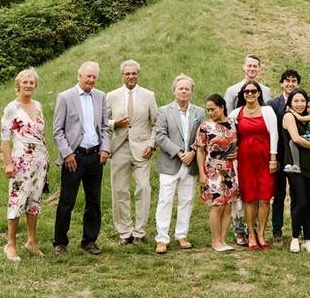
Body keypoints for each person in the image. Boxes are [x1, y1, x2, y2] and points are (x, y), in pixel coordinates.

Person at [52, 61, 111, 255]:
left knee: (94, 200)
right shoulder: (65, 97)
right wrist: (67, 153)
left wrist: (105, 149)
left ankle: (89, 240)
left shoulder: (101, 97)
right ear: (79, 76)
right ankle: (60, 242)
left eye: (94, 77)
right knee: (67, 200)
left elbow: (104, 127)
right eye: (88, 76)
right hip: (74, 157)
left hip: (95, 155)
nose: (91, 80)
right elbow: (57, 131)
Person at [106, 59, 158, 246]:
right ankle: (124, 232)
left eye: (134, 73)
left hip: (142, 149)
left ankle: (139, 231)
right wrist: (114, 124)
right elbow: (101, 122)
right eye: (127, 73)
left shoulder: (148, 95)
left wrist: (151, 145)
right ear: (122, 76)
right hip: (119, 148)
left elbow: (156, 123)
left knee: (143, 188)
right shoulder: (111, 96)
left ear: (138, 75)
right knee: (119, 190)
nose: (131, 76)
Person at [0, 67, 49, 260]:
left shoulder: (38, 105)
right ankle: (10, 244)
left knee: (34, 201)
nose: (28, 85)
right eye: (25, 82)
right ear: (18, 85)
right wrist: (8, 164)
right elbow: (4, 140)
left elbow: (41, 134)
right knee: (17, 200)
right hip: (21, 162)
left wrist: (46, 159)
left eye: (31, 83)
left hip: (40, 161)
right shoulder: (11, 108)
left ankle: (31, 241)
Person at [224, 55, 272, 245]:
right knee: (244, 193)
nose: (252, 69)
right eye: (249, 65)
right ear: (244, 67)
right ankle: (240, 230)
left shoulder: (266, 90)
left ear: (259, 68)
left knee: (262, 195)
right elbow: (228, 121)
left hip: (263, 151)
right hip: (243, 149)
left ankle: (259, 232)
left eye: (255, 66)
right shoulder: (232, 90)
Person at [154, 74, 204, 253]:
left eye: (187, 89)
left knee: (186, 200)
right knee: (165, 200)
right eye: (180, 88)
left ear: (191, 92)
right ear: (174, 90)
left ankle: (181, 235)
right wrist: (178, 152)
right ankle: (162, 238)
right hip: (170, 163)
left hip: (190, 163)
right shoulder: (164, 110)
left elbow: (202, 135)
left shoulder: (199, 112)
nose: (184, 91)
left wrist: (192, 151)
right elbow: (160, 135)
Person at [229, 79, 279, 250]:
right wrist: (232, 152)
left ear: (259, 93)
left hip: (265, 159)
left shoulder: (267, 110)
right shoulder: (236, 113)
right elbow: (230, 136)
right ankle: (250, 234)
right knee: (249, 198)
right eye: (246, 92)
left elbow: (274, 135)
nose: (250, 94)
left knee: (265, 198)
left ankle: (261, 233)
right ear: (243, 95)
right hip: (245, 161)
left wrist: (273, 159)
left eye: (253, 91)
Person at [282, 89, 310, 253]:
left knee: (309, 203)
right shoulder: (289, 116)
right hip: (295, 165)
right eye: (296, 101)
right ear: (290, 103)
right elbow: (296, 138)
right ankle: (295, 238)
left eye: (302, 101)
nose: (300, 104)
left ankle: (307, 240)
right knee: (300, 201)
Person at [195, 94, 239, 253]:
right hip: (212, 170)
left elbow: (238, 144)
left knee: (228, 206)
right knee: (217, 205)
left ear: (222, 107)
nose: (210, 112)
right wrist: (202, 174)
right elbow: (200, 150)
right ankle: (215, 241)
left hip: (230, 170)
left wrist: (237, 153)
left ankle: (223, 239)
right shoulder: (205, 126)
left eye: (213, 109)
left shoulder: (233, 123)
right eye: (208, 110)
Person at [268, 68, 301, 246]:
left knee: (298, 195)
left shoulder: (302, 102)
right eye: (287, 81)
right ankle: (277, 232)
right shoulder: (272, 104)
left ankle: (299, 231)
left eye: (294, 81)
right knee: (279, 195)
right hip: (280, 156)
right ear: (282, 83)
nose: (290, 84)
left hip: (297, 157)